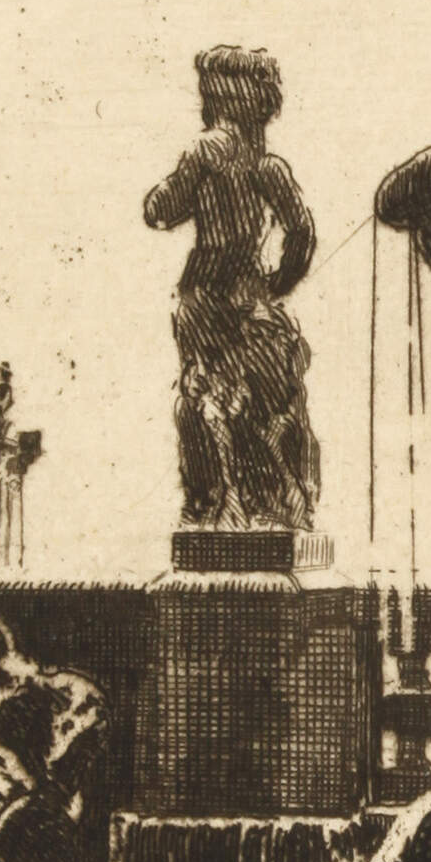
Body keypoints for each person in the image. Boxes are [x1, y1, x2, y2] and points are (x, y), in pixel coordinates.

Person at [144, 47, 320, 531]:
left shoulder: (203, 154)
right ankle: (268, 507)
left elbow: (159, 210)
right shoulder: (269, 168)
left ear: (214, 102)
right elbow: (302, 233)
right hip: (249, 298)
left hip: (201, 298)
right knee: (262, 408)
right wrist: (276, 284)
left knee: (200, 403)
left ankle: (206, 507)